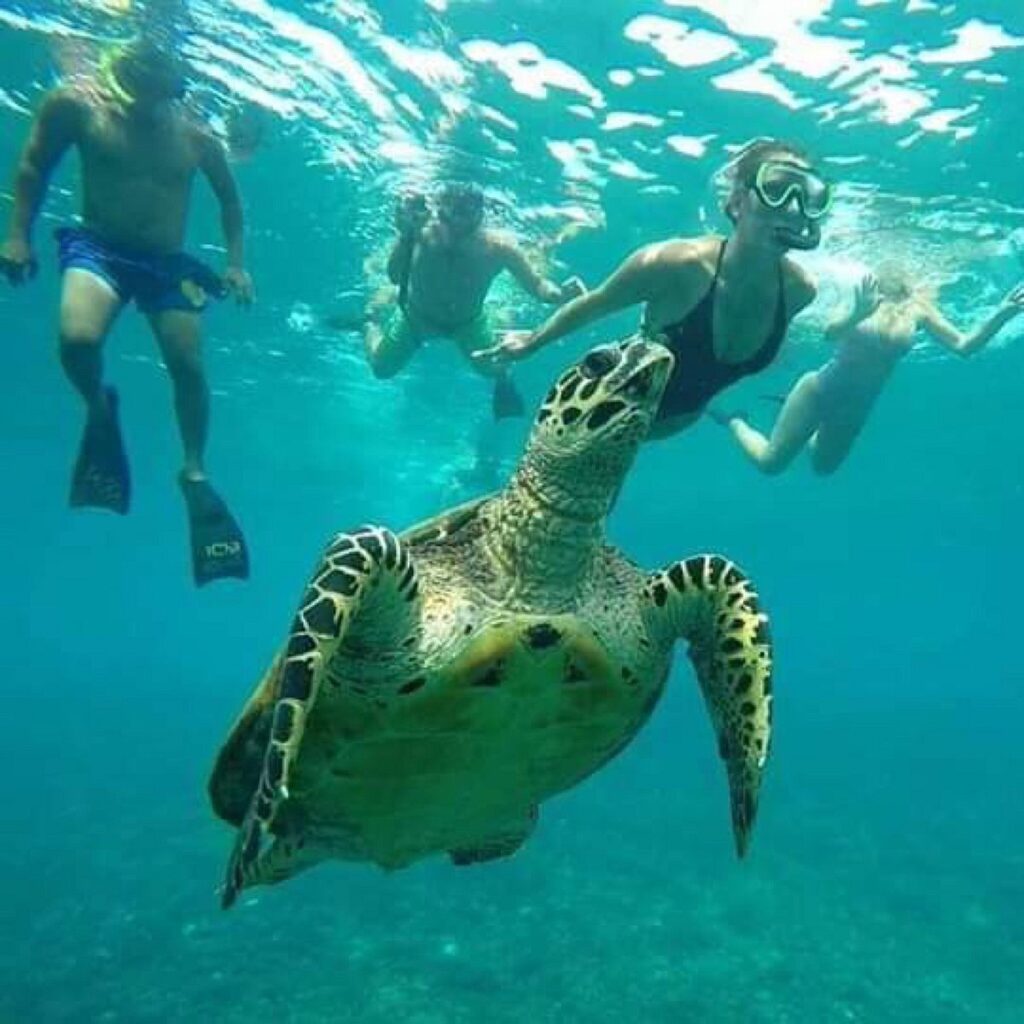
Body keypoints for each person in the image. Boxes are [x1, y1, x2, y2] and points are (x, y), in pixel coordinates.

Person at [0, 38, 254, 586]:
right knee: (78, 341)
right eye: (140, 64)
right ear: (124, 62)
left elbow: (230, 202)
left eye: (160, 69)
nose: (148, 78)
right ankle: (99, 405)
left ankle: (194, 467)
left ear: (176, 78)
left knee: (188, 364)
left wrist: (237, 265)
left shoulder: (196, 136)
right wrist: (17, 235)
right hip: (99, 249)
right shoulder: (76, 105)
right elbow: (32, 167)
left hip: (166, 264)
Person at [474, 138, 829, 439]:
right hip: (604, 415)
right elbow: (596, 304)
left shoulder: (800, 291)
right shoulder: (676, 264)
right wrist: (533, 342)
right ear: (737, 200)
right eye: (777, 188)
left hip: (676, 425)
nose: (794, 208)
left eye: (809, 195)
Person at [713, 265, 1024, 474]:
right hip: (820, 390)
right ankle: (736, 421)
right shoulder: (860, 293)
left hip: (856, 408)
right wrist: (856, 313)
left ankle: (800, 422)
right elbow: (830, 333)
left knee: (823, 468)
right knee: (771, 464)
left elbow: (964, 346)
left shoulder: (919, 309)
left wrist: (1002, 314)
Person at [364, 181, 586, 420]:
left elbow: (537, 285)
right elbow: (395, 277)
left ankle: (504, 379)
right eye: (450, 215)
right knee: (381, 368)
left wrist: (559, 295)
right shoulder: (420, 233)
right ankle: (368, 322)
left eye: (465, 215)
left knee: (493, 369)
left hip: (468, 323)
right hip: (416, 317)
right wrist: (405, 236)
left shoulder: (499, 247)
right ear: (438, 211)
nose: (456, 227)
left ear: (480, 216)